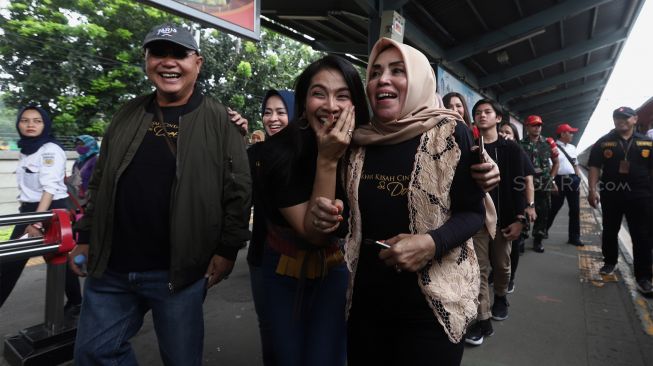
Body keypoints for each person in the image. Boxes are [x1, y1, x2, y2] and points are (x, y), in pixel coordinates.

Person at [69, 23, 252, 365]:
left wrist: (227, 249)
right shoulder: (126, 115)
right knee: (93, 353)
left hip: (178, 274)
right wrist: (86, 234)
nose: (169, 62)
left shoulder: (220, 120)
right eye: (159, 53)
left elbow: (238, 190)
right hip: (112, 268)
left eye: (179, 54)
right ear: (147, 60)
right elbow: (101, 180)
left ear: (197, 62)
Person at [310, 38, 485, 366]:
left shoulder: (449, 134)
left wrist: (431, 243)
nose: (382, 79)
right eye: (375, 73)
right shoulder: (358, 140)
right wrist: (330, 216)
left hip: (432, 308)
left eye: (397, 70)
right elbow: (351, 219)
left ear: (419, 79)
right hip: (366, 305)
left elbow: (473, 212)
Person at [251, 57, 368, 366]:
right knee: (289, 357)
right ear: (303, 102)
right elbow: (314, 233)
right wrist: (327, 160)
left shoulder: (365, 149)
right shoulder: (278, 153)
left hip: (337, 269)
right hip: (283, 269)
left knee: (329, 357)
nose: (331, 105)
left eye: (342, 96)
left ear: (356, 104)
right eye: (319, 93)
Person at [0, 106, 82, 314]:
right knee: (57, 257)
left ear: (45, 125)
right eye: (25, 120)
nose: (30, 125)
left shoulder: (50, 150)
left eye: (37, 121)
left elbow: (50, 189)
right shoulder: (26, 148)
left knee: (12, 260)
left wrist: (36, 223)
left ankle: (76, 302)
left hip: (49, 212)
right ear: (18, 124)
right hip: (30, 210)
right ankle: (77, 302)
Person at [464, 100, 526, 346]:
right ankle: (482, 318)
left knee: (501, 265)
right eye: (478, 112)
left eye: (487, 112)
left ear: (498, 118)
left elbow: (519, 183)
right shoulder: (470, 148)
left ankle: (500, 295)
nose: (482, 116)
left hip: (504, 219)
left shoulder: (511, 149)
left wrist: (520, 218)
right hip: (478, 218)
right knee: (478, 270)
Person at [246, 89, 295, 365]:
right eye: (267, 112)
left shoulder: (307, 154)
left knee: (295, 325)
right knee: (268, 324)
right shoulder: (254, 155)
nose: (272, 119)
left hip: (300, 257)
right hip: (260, 255)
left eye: (280, 112)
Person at [587, 106, 652, 295]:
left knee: (642, 236)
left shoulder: (647, 142)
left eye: (625, 117)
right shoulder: (604, 142)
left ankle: (644, 277)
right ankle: (609, 262)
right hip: (612, 193)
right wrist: (592, 190)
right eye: (617, 117)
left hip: (641, 195)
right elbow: (594, 167)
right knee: (610, 230)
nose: (620, 120)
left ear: (635, 119)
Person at [498, 121, 536, 292]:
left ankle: (510, 278)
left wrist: (530, 205)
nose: (504, 134)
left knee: (512, 246)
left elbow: (528, 181)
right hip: (494, 206)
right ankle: (497, 273)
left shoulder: (519, 152)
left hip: (514, 206)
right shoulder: (491, 149)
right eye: (502, 131)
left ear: (515, 137)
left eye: (508, 132)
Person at [519, 115, 559, 252]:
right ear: (527, 127)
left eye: (539, 125)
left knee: (543, 213)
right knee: (524, 210)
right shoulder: (520, 144)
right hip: (525, 185)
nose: (537, 128)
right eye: (534, 125)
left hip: (544, 185)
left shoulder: (548, 143)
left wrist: (552, 178)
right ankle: (522, 238)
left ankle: (538, 239)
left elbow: (556, 162)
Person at [547, 123, 584, 246]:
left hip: (573, 180)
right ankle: (543, 230)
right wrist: (552, 182)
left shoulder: (572, 147)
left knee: (575, 210)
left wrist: (578, 178)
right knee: (554, 207)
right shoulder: (552, 147)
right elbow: (549, 166)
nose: (573, 135)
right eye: (570, 132)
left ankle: (574, 237)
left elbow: (575, 163)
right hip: (559, 180)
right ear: (562, 134)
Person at [68, 135, 100, 207]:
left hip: (92, 199)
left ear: (91, 144)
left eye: (81, 144)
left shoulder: (97, 160)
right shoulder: (79, 160)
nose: (78, 146)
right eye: (77, 144)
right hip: (78, 198)